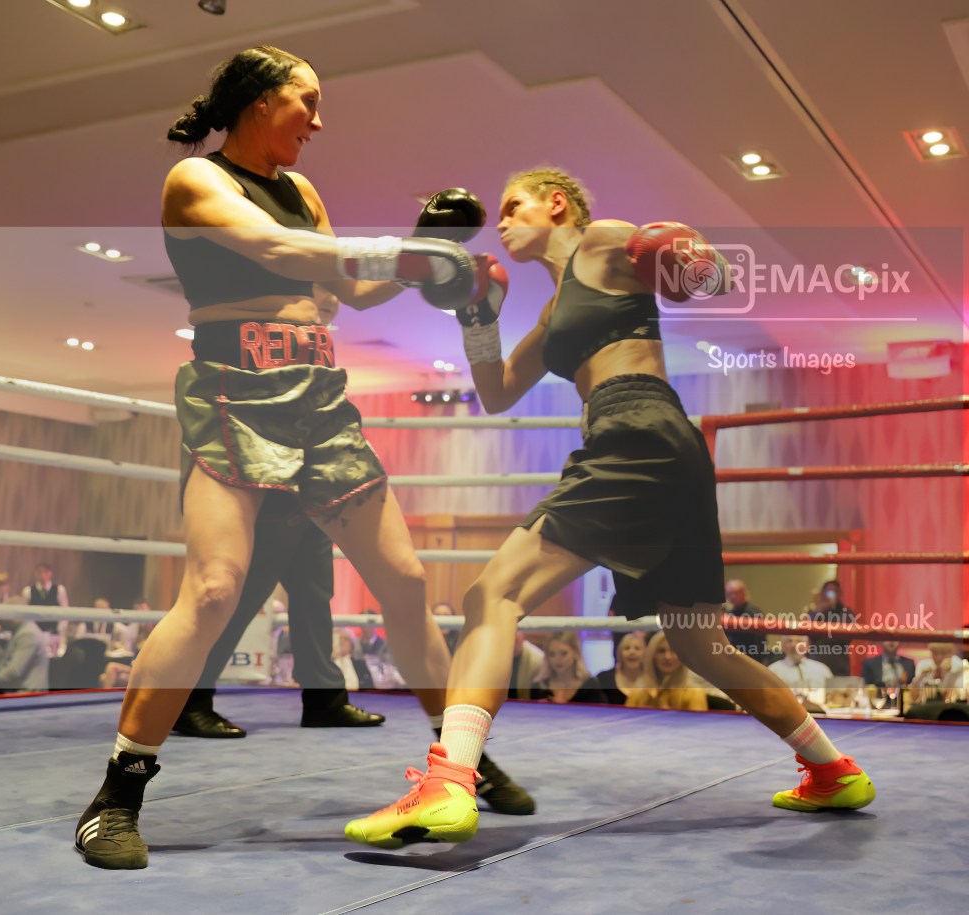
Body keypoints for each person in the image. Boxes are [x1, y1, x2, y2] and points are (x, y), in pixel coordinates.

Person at [74, 46, 530, 870]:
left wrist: (423, 250)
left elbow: (347, 292)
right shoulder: (196, 180)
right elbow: (280, 253)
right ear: (259, 100)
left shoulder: (304, 190)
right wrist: (408, 253)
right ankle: (117, 794)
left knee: (406, 581)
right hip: (234, 390)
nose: (318, 121)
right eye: (306, 100)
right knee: (214, 589)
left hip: (318, 396)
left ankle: (457, 762)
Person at [345, 166, 874, 849]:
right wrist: (478, 316)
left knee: (492, 595)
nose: (500, 222)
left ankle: (448, 784)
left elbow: (717, 280)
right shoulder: (553, 311)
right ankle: (833, 770)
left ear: (556, 204)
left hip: (635, 430)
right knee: (701, 643)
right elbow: (498, 391)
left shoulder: (604, 241)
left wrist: (699, 263)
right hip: (669, 448)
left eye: (513, 206)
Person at [173, 497, 386, 736]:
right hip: (271, 494)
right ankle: (187, 701)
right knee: (240, 599)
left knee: (313, 600)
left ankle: (325, 701)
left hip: (315, 502)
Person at [624, 630, 708, 712]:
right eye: (661, 651)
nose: (667, 657)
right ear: (652, 655)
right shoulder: (639, 691)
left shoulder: (695, 693)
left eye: (673, 651)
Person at [529, 630, 603, 704]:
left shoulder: (590, 686)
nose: (557, 659)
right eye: (552, 654)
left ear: (576, 652)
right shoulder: (538, 687)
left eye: (563, 653)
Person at [804, 579, 857, 677]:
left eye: (835, 591)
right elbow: (808, 632)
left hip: (839, 662)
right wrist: (820, 610)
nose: (832, 594)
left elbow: (847, 637)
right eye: (829, 591)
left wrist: (824, 637)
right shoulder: (816, 612)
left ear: (840, 593)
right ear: (823, 593)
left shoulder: (846, 613)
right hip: (818, 660)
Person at [723, 579, 770, 665]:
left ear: (743, 593)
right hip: (734, 658)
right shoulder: (730, 613)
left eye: (734, 593)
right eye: (728, 594)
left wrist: (759, 661)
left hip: (751, 659)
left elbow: (760, 641)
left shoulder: (753, 612)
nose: (731, 597)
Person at [595, 630, 647, 705]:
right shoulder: (603, 678)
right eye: (627, 648)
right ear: (619, 653)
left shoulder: (654, 679)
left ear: (645, 654)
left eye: (637, 648)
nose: (632, 652)